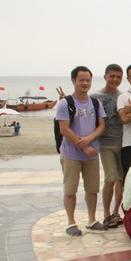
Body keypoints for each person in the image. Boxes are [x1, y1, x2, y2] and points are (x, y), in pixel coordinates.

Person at [56, 66, 108, 236]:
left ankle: (92, 220)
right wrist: (83, 145)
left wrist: (90, 139)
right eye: (81, 80)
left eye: (88, 80)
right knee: (70, 190)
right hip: (71, 154)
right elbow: (64, 129)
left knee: (92, 189)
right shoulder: (65, 103)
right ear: (74, 81)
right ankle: (71, 223)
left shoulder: (95, 103)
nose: (85, 83)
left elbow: (101, 125)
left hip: (92, 154)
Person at [91, 64, 125, 229]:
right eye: (112, 76)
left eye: (118, 77)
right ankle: (106, 214)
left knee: (121, 179)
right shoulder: (95, 97)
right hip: (105, 144)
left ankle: (116, 211)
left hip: (123, 142)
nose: (115, 79)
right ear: (105, 77)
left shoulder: (123, 96)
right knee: (110, 178)